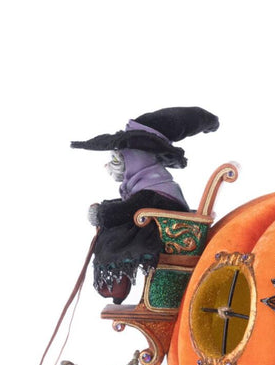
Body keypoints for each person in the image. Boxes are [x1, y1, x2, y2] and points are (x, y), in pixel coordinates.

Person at [71, 106, 219, 302]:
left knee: (117, 232)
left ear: (137, 158)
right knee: (114, 228)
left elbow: (130, 208)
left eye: (121, 156)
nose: (113, 163)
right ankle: (117, 281)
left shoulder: (156, 191)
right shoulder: (150, 185)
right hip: (156, 230)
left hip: (162, 237)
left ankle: (117, 280)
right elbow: (131, 205)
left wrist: (102, 214)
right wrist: (106, 209)